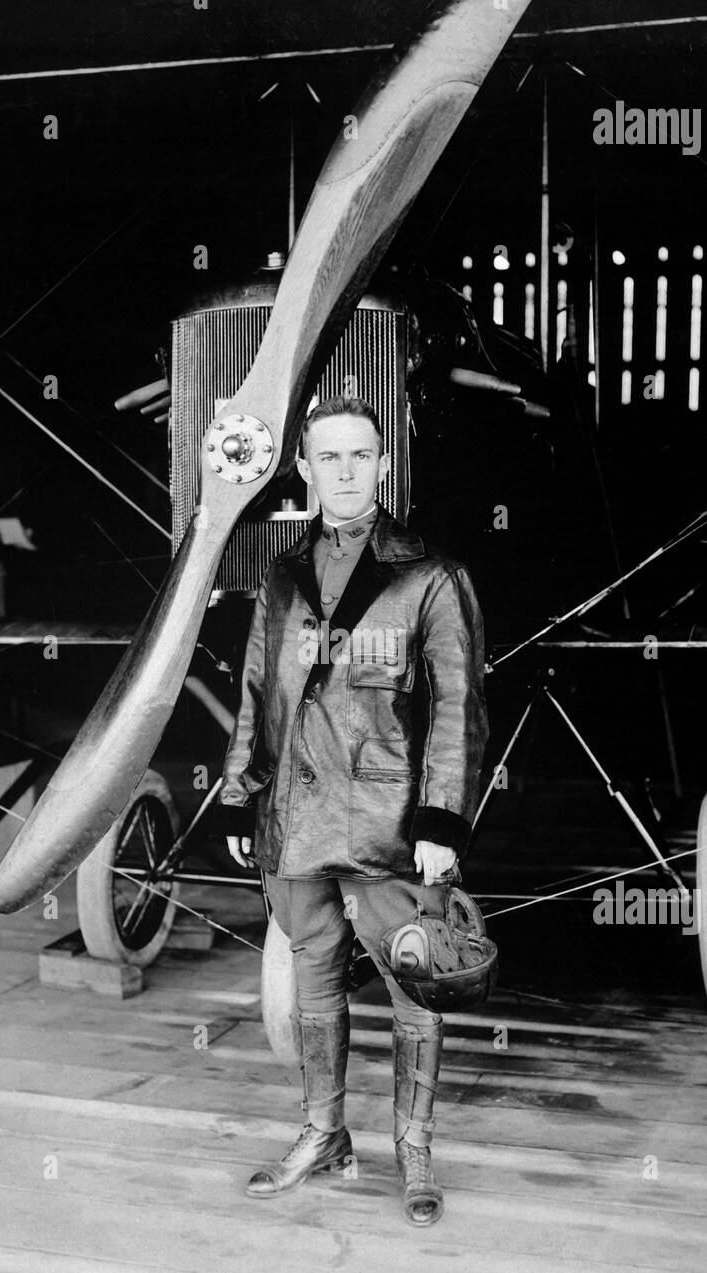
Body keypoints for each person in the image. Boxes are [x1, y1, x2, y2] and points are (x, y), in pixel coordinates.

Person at [219, 394, 488, 1225]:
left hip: (390, 824)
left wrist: (442, 822)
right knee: (314, 980)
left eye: (358, 456)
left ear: (382, 465)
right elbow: (258, 692)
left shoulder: (431, 576)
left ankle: (414, 1150)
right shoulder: (280, 573)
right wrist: (240, 795)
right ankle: (323, 1132)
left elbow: (457, 708)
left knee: (418, 980)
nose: (342, 470)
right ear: (303, 468)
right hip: (295, 818)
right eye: (326, 457)